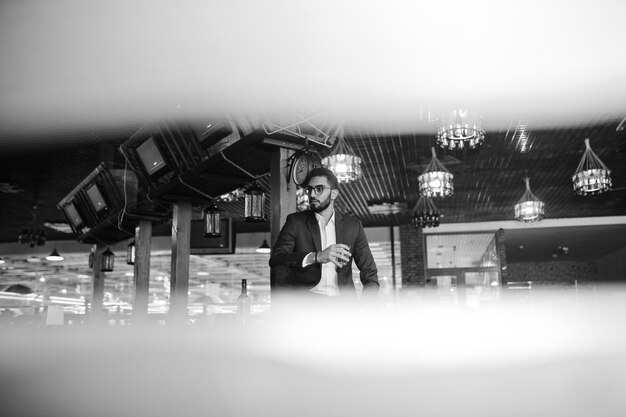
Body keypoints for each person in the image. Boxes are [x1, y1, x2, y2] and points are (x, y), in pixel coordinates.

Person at [269, 167, 379, 300]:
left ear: (334, 194)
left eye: (319, 189)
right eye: (310, 189)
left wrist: (367, 307)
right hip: (307, 304)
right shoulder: (295, 222)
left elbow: (369, 271)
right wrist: (316, 257)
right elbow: (277, 257)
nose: (312, 195)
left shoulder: (353, 226)